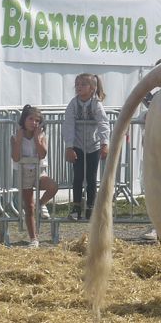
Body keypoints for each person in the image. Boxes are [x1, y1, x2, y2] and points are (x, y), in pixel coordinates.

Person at [64, 73, 110, 221]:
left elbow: (103, 123)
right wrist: (69, 147)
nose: (79, 87)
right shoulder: (73, 104)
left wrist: (104, 143)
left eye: (83, 84)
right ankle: (76, 207)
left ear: (92, 88)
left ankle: (91, 207)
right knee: (78, 177)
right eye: (77, 84)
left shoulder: (96, 104)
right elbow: (68, 125)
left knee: (91, 178)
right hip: (77, 145)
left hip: (93, 146)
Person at [11, 104, 58, 248]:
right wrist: (19, 141)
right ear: (24, 120)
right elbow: (16, 157)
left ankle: (41, 204)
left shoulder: (41, 136)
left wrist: (37, 139)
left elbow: (42, 154)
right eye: (31, 119)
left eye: (37, 120)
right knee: (29, 207)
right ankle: (33, 238)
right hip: (24, 173)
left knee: (53, 186)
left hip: (39, 172)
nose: (34, 123)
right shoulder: (16, 136)